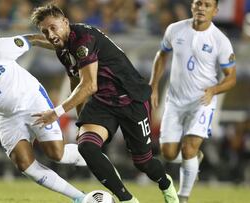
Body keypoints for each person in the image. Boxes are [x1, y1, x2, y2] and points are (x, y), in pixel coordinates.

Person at [30, 4, 179, 203]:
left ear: (65, 22)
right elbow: (77, 82)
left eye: (53, 28)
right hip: (103, 102)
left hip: (131, 98)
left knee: (144, 163)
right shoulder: (63, 50)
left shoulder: (83, 39)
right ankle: (127, 200)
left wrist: (56, 112)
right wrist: (82, 119)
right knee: (87, 147)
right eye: (45, 32)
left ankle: (166, 184)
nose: (50, 34)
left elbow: (89, 85)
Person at [0, 25, 87, 203]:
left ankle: (93, 155)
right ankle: (80, 198)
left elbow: (33, 39)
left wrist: (67, 49)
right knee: (24, 164)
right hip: (6, 116)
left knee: (56, 154)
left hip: (32, 100)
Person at [149, 0, 237, 202]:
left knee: (188, 148)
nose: (201, 8)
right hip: (175, 101)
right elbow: (162, 55)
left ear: (215, 11)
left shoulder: (220, 40)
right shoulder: (175, 29)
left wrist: (214, 90)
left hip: (202, 102)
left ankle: (183, 196)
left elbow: (231, 77)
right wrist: (153, 85)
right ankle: (193, 160)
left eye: (207, 5)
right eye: (198, 3)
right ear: (192, 6)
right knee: (168, 153)